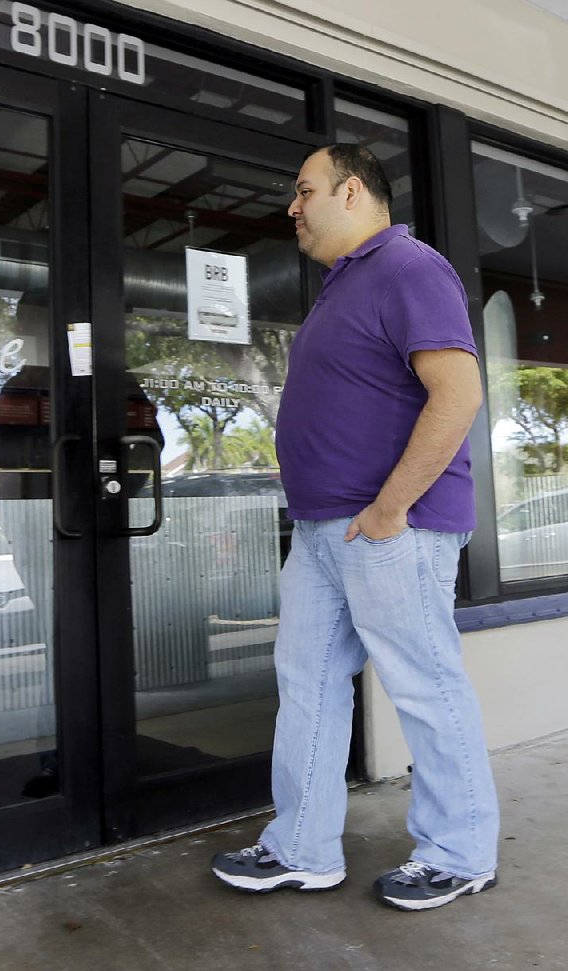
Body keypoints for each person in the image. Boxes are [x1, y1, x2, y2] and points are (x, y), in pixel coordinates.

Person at [211, 144, 499, 912]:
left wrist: (387, 509)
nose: (293, 207)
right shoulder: (344, 286)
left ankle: (460, 851)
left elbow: (458, 394)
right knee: (306, 683)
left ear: (351, 189)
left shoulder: (409, 267)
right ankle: (301, 848)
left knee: (425, 686)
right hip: (320, 532)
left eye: (304, 191)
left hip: (386, 531)